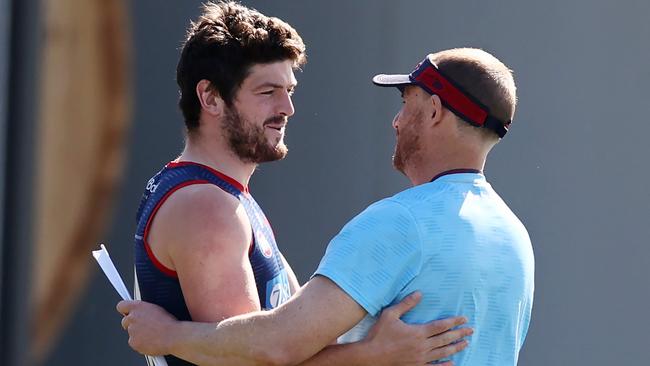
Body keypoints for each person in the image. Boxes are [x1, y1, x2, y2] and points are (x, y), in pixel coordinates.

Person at [119, 46, 533, 365]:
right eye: (268, 92)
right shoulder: (515, 237)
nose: (396, 120)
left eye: (406, 102)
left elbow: (275, 345)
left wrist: (168, 336)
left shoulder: (400, 222)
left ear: (435, 111)